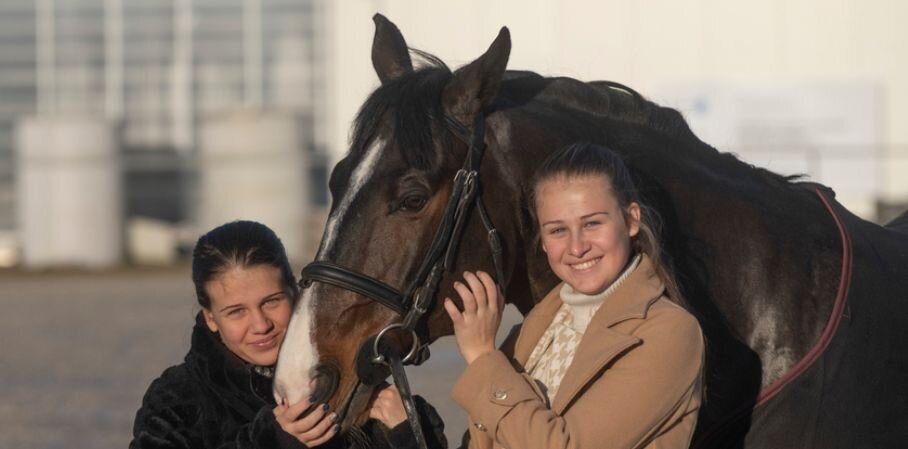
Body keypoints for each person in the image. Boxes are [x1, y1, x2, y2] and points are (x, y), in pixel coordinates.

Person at [443, 143, 705, 449]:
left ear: (631, 220)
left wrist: (482, 356)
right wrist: (405, 430)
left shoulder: (669, 333)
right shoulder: (536, 326)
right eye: (557, 230)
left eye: (592, 223)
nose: (577, 247)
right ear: (542, 240)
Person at [130, 220, 444, 449]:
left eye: (271, 302)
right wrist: (272, 442)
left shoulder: (350, 380)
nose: (260, 324)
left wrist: (408, 433)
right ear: (210, 318)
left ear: (294, 292)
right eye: (236, 311)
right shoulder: (176, 400)